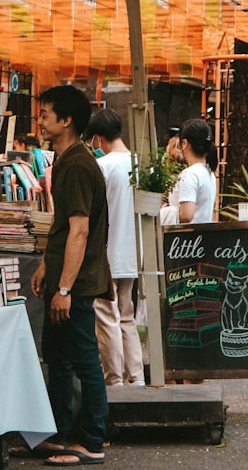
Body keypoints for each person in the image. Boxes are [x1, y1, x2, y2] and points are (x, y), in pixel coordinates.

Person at [14, 85, 109, 465]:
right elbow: (63, 227)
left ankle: (91, 441)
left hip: (77, 283)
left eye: (45, 114)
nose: (39, 121)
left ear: (66, 121)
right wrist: (46, 267)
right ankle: (57, 434)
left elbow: (80, 230)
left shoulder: (77, 164)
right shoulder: (68, 161)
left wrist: (65, 288)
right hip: (64, 278)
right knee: (58, 356)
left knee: (83, 358)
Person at [85, 109, 145, 387]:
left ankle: (114, 379)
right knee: (127, 314)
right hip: (135, 250)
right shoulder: (143, 165)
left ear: (97, 137)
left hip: (108, 250)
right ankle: (136, 378)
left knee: (107, 314)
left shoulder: (103, 167)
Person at [170, 119, 217, 224]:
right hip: (202, 235)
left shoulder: (190, 174)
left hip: (185, 238)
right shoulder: (209, 172)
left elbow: (186, 215)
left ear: (184, 143)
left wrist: (165, 211)